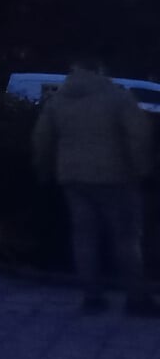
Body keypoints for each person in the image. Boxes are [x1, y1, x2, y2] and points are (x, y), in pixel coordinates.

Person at [32, 57, 156, 314]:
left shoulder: (58, 100)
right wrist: (142, 168)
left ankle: (92, 298)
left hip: (72, 178)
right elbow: (140, 135)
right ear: (100, 69)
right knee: (126, 239)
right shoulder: (117, 97)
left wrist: (44, 171)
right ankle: (136, 299)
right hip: (116, 177)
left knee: (84, 237)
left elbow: (42, 139)